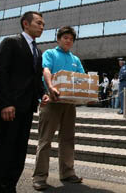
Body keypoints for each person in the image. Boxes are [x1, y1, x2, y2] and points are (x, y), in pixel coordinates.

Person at [0, 11, 49, 193]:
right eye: (38, 23)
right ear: (25, 24)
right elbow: (1, 72)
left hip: (26, 109)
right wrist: (6, 103)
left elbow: (35, 79)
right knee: (3, 152)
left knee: (19, 153)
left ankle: (9, 187)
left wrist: (42, 94)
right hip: (8, 108)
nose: (42, 27)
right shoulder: (11, 42)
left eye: (43, 24)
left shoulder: (38, 50)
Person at [32, 26, 84, 191]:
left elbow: (82, 79)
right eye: (65, 38)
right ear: (59, 39)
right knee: (45, 140)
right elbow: (45, 70)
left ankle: (67, 172)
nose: (68, 41)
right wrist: (50, 87)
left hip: (69, 104)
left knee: (68, 139)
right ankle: (40, 177)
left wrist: (88, 96)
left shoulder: (75, 59)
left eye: (71, 39)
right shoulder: (50, 54)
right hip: (52, 101)